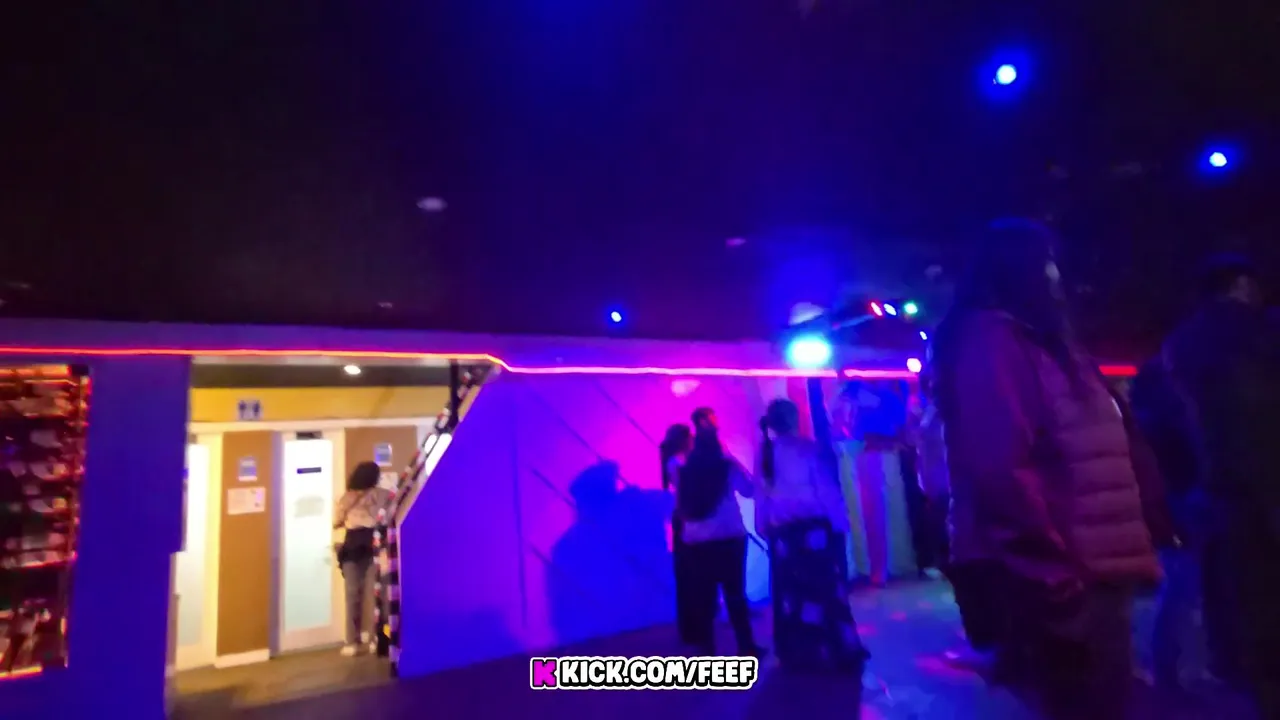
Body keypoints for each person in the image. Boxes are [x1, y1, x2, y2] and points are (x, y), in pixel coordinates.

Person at [932, 219, 1161, 719]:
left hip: (1090, 567)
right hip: (1068, 577)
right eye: (1048, 263)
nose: (1057, 276)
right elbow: (1000, 468)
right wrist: (1054, 579)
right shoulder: (991, 342)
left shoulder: (1039, 342)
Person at [1161, 253, 1280, 712]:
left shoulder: (1180, 345)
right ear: (1243, 285)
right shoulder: (1263, 335)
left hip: (1210, 494)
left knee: (1234, 607)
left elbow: (1166, 425)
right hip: (1260, 489)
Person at [757, 398, 868, 672]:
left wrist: (763, 526)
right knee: (826, 589)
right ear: (794, 419)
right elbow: (827, 490)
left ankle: (797, 651)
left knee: (791, 594)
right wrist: (841, 523)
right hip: (813, 532)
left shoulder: (765, 453)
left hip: (782, 535)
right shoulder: (807, 449)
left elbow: (761, 496)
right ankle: (837, 648)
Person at [676, 410, 765, 658]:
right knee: (735, 594)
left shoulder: (685, 469)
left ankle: (707, 651)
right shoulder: (726, 465)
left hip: (696, 540)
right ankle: (746, 647)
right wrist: (733, 460)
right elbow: (749, 490)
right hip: (728, 537)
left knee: (704, 596)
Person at [333, 461, 394, 656]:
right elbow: (388, 518)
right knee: (376, 595)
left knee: (353, 595)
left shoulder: (347, 497)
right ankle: (376, 638)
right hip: (373, 544)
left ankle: (353, 641)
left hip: (353, 545)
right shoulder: (383, 495)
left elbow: (336, 521)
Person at [660, 423, 697, 646]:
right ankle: (691, 627)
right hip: (685, 519)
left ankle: (691, 627)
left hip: (682, 518)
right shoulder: (678, 463)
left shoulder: (673, 462)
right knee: (688, 574)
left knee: (687, 574)